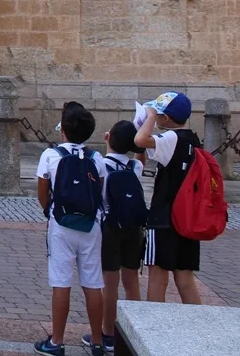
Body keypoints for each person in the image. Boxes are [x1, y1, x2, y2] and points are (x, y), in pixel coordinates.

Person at [34, 102, 107, 356]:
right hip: (90, 225)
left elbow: (42, 191)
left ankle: (57, 341)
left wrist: (48, 210)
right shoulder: (97, 158)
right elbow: (101, 192)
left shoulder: (51, 156)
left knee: (61, 283)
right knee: (93, 282)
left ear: (63, 129)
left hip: (61, 224)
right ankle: (97, 341)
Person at [82, 120, 146, 352]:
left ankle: (107, 333)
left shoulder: (100, 164)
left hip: (110, 227)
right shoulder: (135, 167)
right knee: (132, 282)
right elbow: (140, 157)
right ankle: (133, 332)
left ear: (107, 137)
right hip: (134, 227)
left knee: (110, 284)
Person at [133, 91, 202, 305]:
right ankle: (200, 325)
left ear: (166, 117)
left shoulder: (170, 138)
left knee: (158, 275)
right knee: (185, 277)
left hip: (164, 217)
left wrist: (149, 116)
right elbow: (143, 155)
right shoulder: (192, 138)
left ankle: (153, 330)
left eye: (159, 114)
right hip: (186, 216)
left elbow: (140, 140)